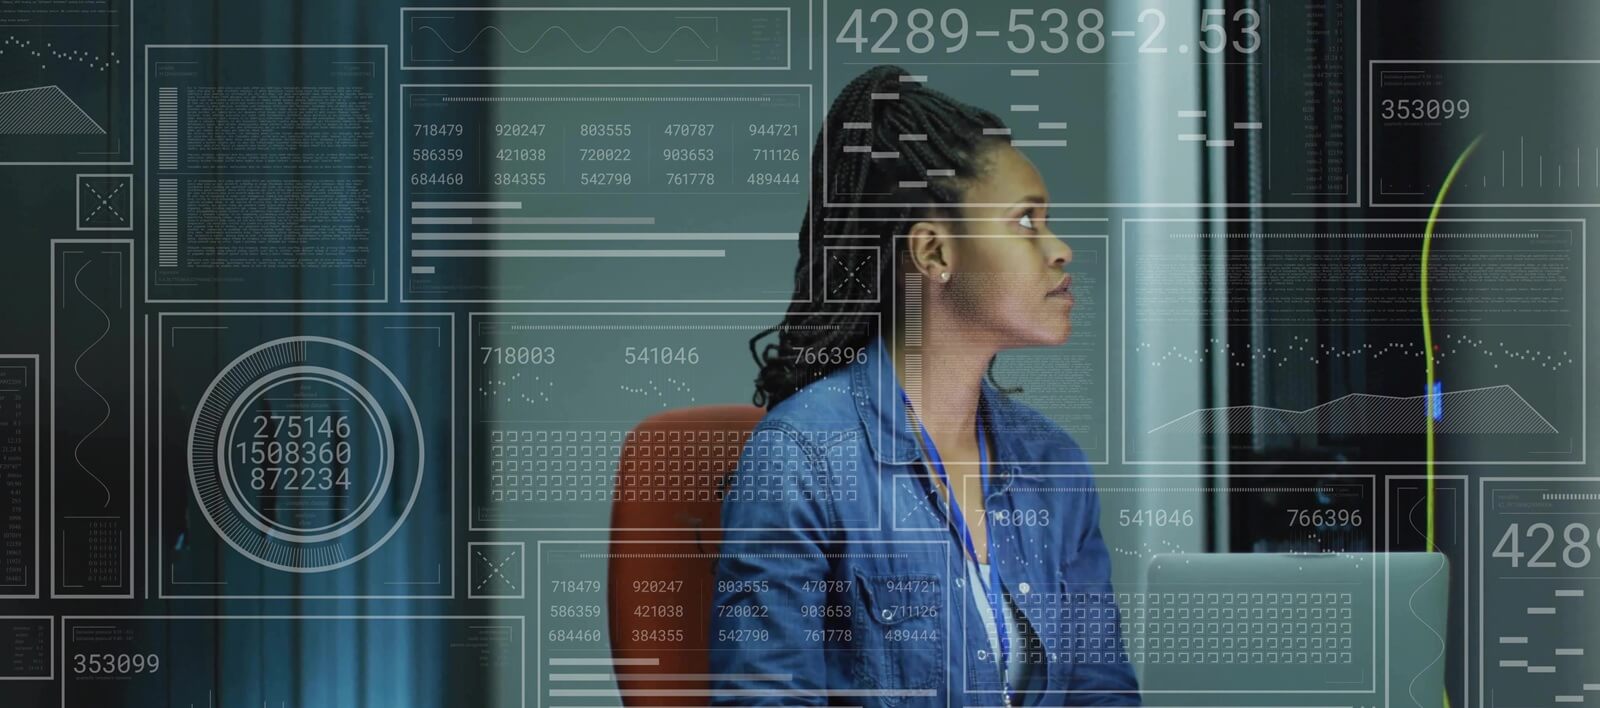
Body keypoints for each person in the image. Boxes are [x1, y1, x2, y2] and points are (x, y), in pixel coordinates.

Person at [710, 65, 1139, 707]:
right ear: (934, 252)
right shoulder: (801, 457)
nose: (1060, 250)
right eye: (1026, 222)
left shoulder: (1055, 466)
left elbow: (1101, 695)